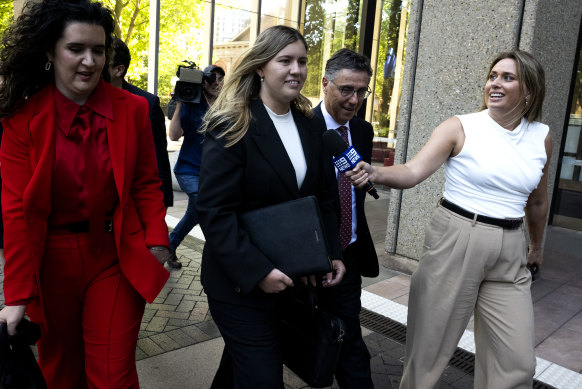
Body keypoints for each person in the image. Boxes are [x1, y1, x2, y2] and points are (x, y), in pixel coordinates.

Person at [348, 50, 551, 389]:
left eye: (507, 77)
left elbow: (539, 201)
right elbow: (413, 171)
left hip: (511, 249)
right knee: (428, 353)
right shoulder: (460, 126)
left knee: (517, 363)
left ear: (529, 91)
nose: (495, 83)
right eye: (493, 75)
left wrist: (536, 247)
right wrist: (377, 173)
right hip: (457, 238)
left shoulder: (540, 135)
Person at [0, 1, 171, 387]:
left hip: (115, 256)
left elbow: (147, 182)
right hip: (51, 262)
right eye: (76, 48)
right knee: (59, 370)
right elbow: (15, 212)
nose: (89, 61)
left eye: (98, 50)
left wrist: (157, 239)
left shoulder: (134, 110)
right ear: (50, 51)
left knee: (112, 374)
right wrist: (17, 295)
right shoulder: (20, 120)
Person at [196, 25, 346, 388]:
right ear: (261, 66)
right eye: (285, 60)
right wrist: (258, 270)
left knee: (240, 369)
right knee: (263, 378)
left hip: (292, 280)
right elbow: (214, 212)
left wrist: (330, 252)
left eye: (302, 61)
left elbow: (325, 198)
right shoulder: (233, 124)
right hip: (240, 283)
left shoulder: (310, 127)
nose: (297, 69)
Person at [313, 48, 378, 388]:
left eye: (361, 91)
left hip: (348, 254)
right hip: (307, 258)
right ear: (325, 84)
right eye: (346, 90)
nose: (354, 100)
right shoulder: (303, 130)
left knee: (349, 338)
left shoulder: (363, 132)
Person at [166, 64, 225, 269]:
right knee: (205, 204)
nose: (216, 83)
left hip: (212, 173)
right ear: (203, 82)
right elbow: (174, 135)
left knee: (194, 215)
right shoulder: (192, 104)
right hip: (188, 170)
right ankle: (222, 255)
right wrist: (181, 103)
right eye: (211, 79)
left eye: (220, 78)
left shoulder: (227, 107)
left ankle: (169, 248)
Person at [109, 37, 174, 209]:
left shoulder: (146, 103)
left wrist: (161, 204)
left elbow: (158, 158)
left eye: (101, 57)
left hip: (132, 204)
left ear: (119, 69)